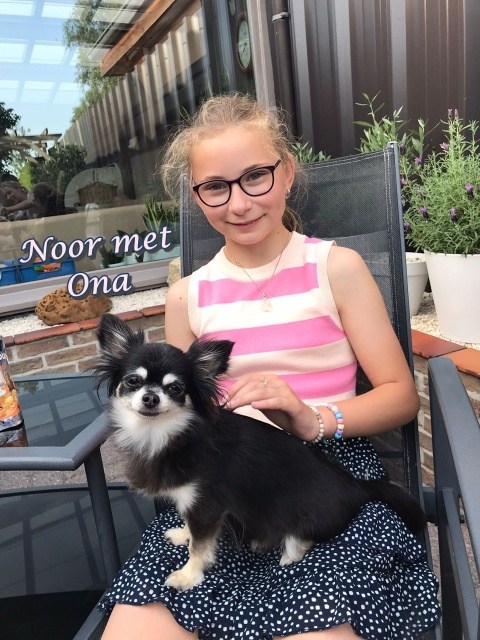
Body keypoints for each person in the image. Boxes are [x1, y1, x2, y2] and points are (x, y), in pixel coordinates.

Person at [99, 94, 441, 639]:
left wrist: (314, 418)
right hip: (216, 479)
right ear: (196, 196)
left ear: (287, 173)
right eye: (216, 186)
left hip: (321, 478)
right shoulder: (188, 295)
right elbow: (176, 410)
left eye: (255, 176)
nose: (238, 203)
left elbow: (401, 395)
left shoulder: (337, 268)